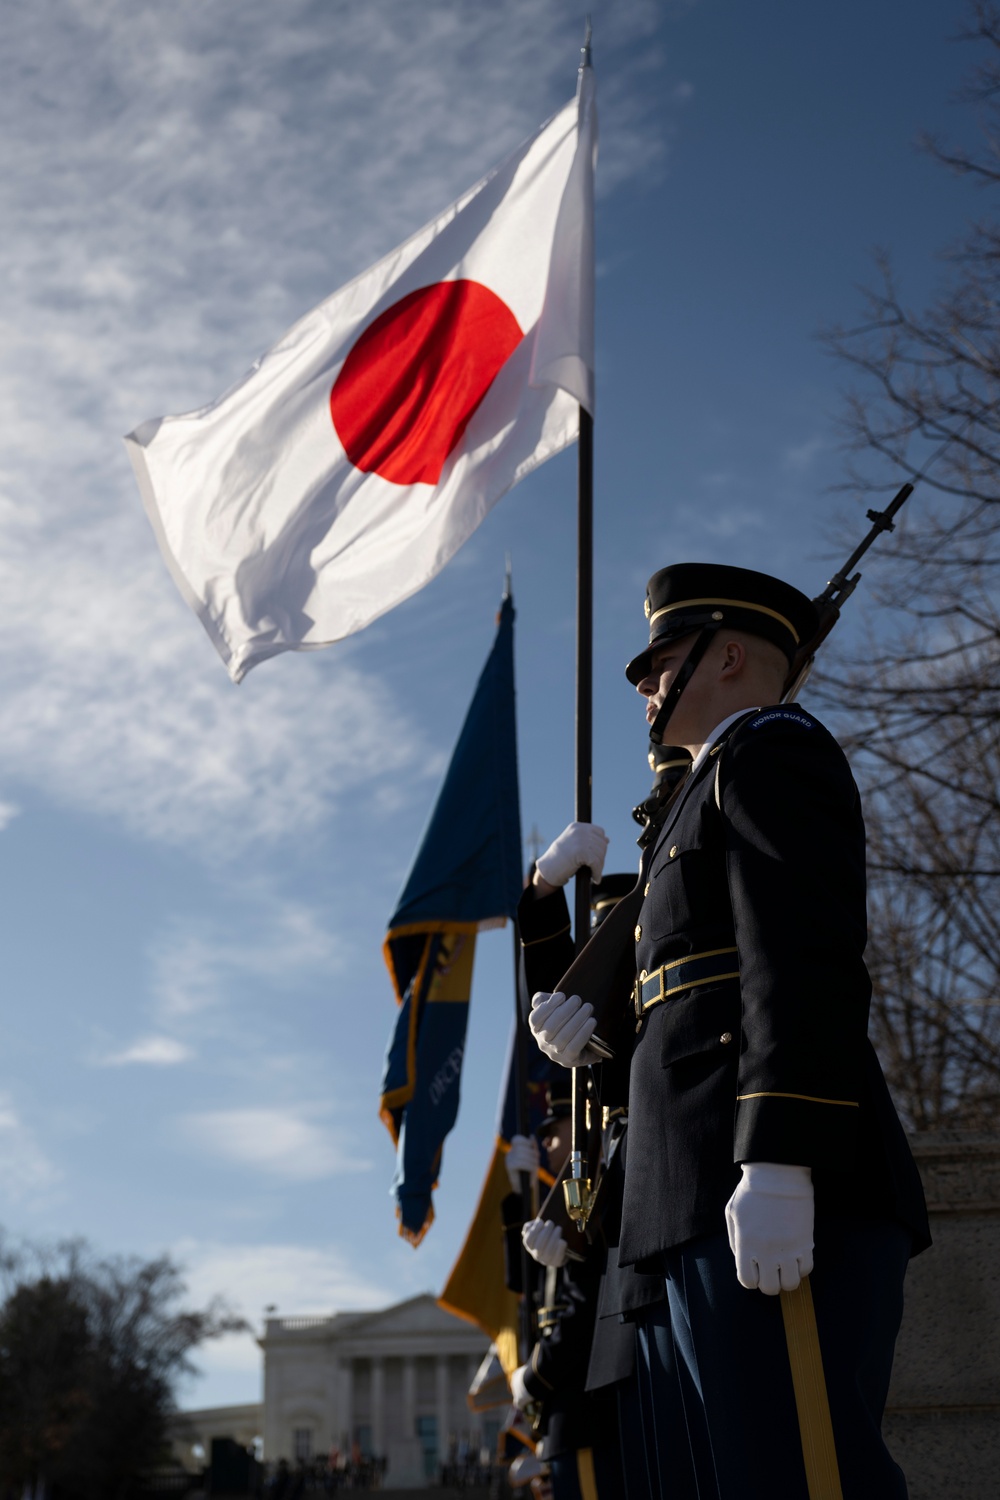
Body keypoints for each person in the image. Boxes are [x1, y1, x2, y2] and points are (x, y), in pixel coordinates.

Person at [528, 563, 930, 1500]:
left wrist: (781, 1156)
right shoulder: (695, 800)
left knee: (803, 1479)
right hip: (690, 1187)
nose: (642, 684)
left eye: (660, 659)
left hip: (768, 1177)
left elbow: (803, 960)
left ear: (730, 654)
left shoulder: (771, 750)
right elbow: (681, 1001)